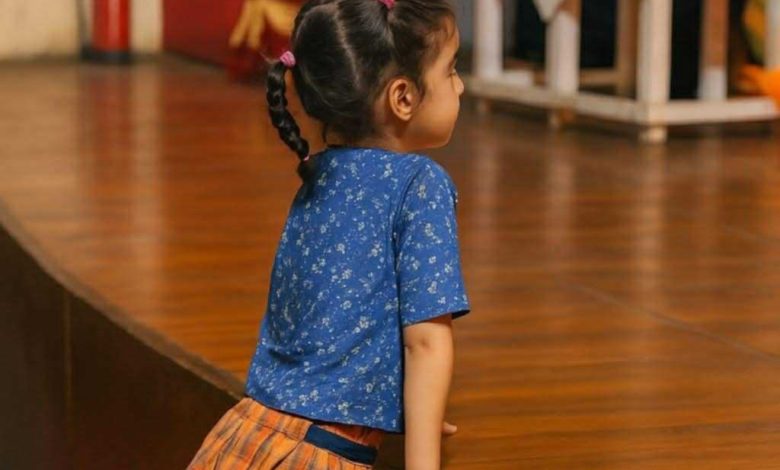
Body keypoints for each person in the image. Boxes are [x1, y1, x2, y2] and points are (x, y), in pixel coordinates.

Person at [188, 0, 470, 468]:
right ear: (403, 97)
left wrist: (396, 406)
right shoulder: (421, 183)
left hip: (242, 437)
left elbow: (332, 326)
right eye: (451, 71)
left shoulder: (318, 174)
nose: (460, 85)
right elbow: (426, 342)